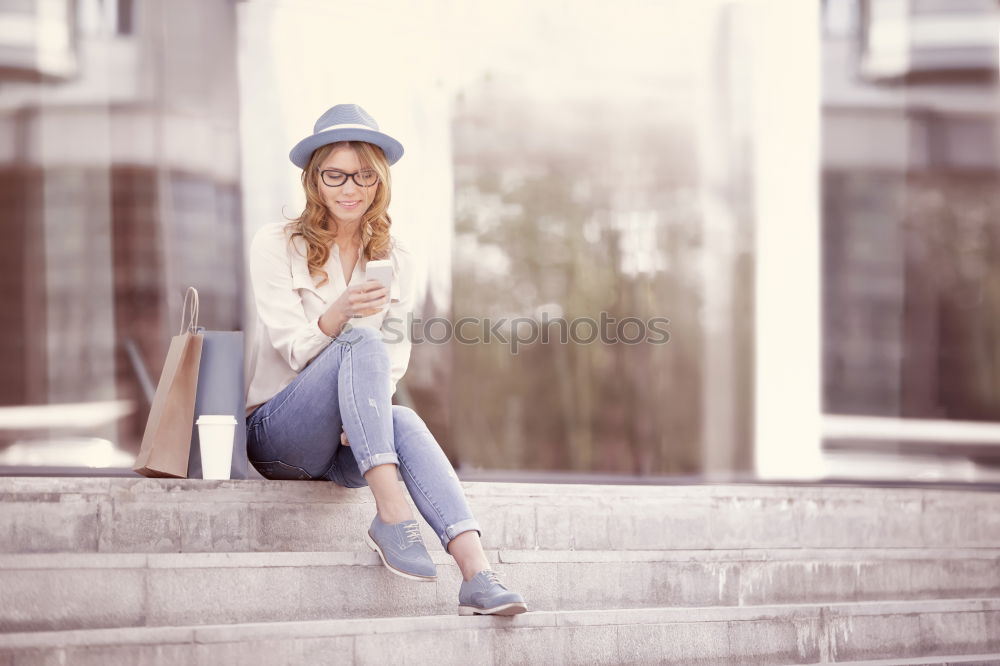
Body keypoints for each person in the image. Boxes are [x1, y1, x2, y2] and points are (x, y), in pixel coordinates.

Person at [244, 104, 527, 616]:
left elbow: (394, 360)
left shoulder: (397, 258)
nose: (349, 187)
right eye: (335, 174)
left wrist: (362, 410)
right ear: (314, 180)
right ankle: (392, 512)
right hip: (279, 436)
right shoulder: (276, 244)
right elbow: (291, 345)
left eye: (363, 174)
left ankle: (477, 573)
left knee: (403, 416)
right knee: (362, 343)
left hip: (352, 448)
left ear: (379, 181)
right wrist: (339, 314)